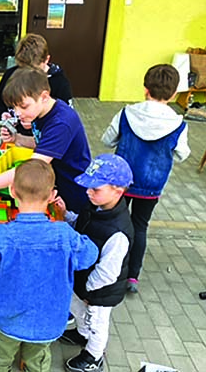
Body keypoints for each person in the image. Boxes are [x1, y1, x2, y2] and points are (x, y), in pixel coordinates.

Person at [0, 159, 98, 372]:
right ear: (51, 196)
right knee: (37, 362)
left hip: (7, 320)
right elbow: (90, 255)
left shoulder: (4, 235)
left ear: (12, 191)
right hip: (48, 322)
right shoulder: (64, 234)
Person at [101, 64, 189, 293]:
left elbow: (107, 139)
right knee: (140, 226)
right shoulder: (178, 123)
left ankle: (109, 267)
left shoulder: (126, 113)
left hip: (121, 181)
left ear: (145, 89)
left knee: (114, 222)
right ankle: (132, 277)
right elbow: (182, 154)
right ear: (173, 94)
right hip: (151, 185)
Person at [0, 67, 91, 214]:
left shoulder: (61, 123)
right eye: (14, 107)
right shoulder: (41, 111)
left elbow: (32, 167)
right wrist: (17, 138)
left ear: (44, 96)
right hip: (54, 184)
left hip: (72, 191)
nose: (18, 113)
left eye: (23, 106)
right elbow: (43, 144)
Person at [58, 154, 134, 372]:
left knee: (97, 323)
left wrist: (89, 292)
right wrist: (67, 215)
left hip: (99, 291)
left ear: (118, 190)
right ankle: (82, 334)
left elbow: (108, 273)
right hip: (82, 280)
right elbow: (83, 225)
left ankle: (94, 355)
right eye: (88, 186)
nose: (89, 191)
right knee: (77, 309)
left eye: (96, 188)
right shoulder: (95, 206)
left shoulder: (118, 232)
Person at [0, 33, 73, 137]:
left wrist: (36, 123)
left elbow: (64, 121)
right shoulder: (11, 75)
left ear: (46, 60)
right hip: (12, 137)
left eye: (35, 69)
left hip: (42, 141)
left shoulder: (59, 83)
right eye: (23, 68)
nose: (28, 75)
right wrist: (3, 115)